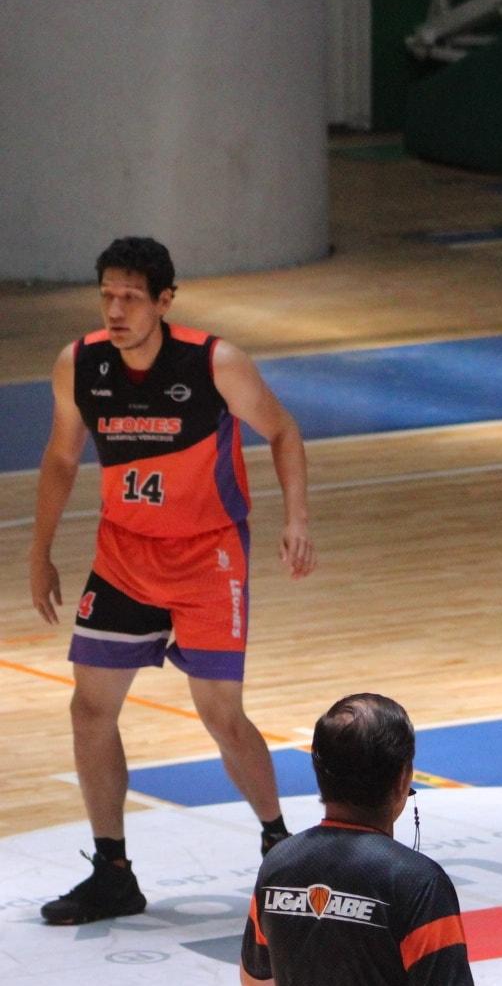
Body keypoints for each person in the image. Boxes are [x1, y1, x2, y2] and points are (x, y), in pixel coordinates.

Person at [30, 236, 316, 925]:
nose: (117, 308)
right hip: (124, 556)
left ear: (164, 300)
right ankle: (113, 870)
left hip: (207, 557)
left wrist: (296, 517)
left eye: (131, 296)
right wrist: (39, 551)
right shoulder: (80, 363)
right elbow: (62, 459)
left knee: (221, 715)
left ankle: (281, 848)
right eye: (107, 294)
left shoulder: (214, 361)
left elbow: (282, 431)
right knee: (89, 709)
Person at [240, 694, 502, 986]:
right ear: (403, 777)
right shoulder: (416, 883)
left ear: (320, 773)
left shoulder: (280, 865)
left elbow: (256, 981)